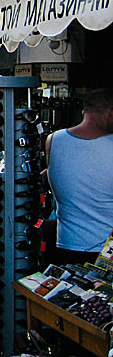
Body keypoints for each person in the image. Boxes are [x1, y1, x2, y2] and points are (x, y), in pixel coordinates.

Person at [45, 88, 113, 263]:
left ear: (84, 111)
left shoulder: (54, 140)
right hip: (106, 250)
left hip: (66, 245)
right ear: (110, 113)